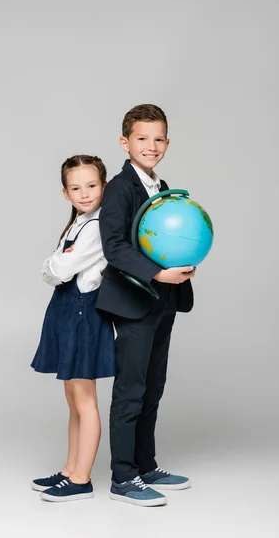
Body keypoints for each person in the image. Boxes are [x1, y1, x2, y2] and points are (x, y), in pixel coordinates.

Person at [96, 104, 196, 507]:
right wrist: (157, 274)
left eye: (158, 139)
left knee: (153, 387)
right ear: (125, 142)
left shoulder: (161, 183)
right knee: (131, 390)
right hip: (136, 301)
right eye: (142, 138)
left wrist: (178, 266)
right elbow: (114, 246)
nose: (151, 146)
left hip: (165, 299)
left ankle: (145, 464)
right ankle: (123, 476)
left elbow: (163, 238)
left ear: (167, 143)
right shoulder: (120, 187)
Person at [31, 154, 116, 503]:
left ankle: (82, 479)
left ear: (104, 186)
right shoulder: (78, 222)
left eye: (92, 186)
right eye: (76, 187)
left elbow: (59, 269)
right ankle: (70, 468)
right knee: (73, 399)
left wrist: (51, 266)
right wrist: (54, 265)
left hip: (83, 312)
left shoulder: (97, 226)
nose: (84, 193)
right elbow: (58, 266)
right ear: (65, 193)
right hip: (66, 311)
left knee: (85, 399)